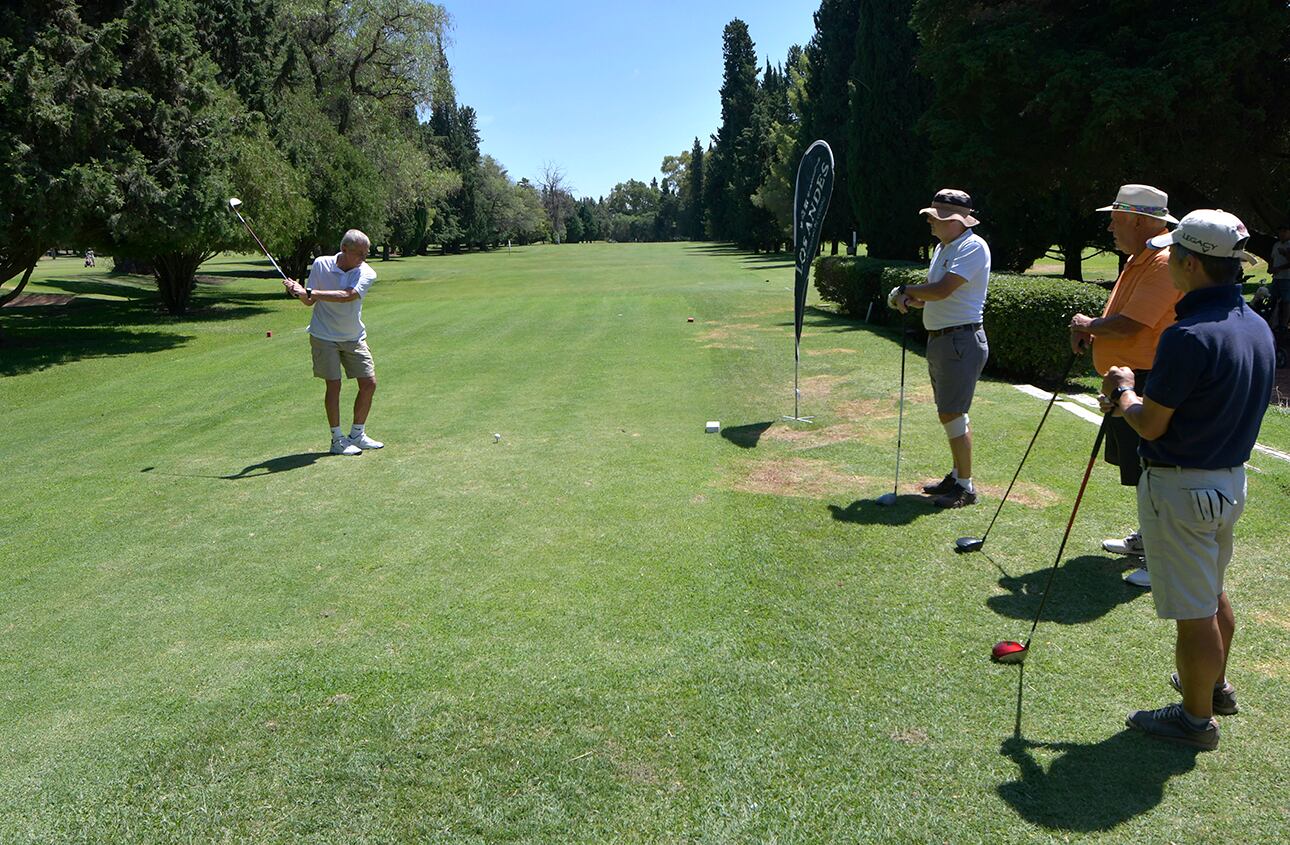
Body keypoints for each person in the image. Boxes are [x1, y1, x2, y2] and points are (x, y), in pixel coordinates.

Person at [1101, 209, 1274, 750]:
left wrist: (1123, 390)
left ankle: (1195, 720)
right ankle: (1214, 686)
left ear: (1191, 263)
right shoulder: (1255, 325)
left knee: (1194, 610)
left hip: (1183, 487)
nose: (1166, 259)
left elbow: (1150, 422)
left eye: (1173, 253)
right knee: (1211, 591)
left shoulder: (1187, 335)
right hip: (1228, 482)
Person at [1069, 185, 1182, 588]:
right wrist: (1094, 331)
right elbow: (1122, 316)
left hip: (1148, 379)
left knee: (1156, 470)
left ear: (1138, 220)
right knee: (1140, 469)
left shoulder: (1163, 261)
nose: (1111, 228)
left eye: (1117, 220)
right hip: (1128, 378)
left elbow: (1135, 322)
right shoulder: (1139, 258)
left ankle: (1162, 556)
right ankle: (1148, 540)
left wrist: (1089, 326)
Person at [888, 188, 991, 508]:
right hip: (945, 340)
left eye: (937, 217)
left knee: (953, 413)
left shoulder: (972, 247)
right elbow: (933, 295)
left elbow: (944, 289)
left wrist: (906, 288)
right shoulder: (944, 247)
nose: (931, 221)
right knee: (951, 413)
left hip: (960, 340)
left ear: (957, 221)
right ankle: (958, 474)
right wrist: (909, 299)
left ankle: (966, 487)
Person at [284, 229, 384, 456]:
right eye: (359, 254)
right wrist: (297, 291)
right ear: (344, 250)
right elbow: (309, 301)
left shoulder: (366, 272)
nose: (363, 258)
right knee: (334, 385)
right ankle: (337, 439)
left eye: (365, 253)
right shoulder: (321, 264)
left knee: (369, 383)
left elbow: (347, 295)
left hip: (353, 336)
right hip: (324, 336)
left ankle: (357, 434)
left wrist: (310, 291)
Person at [1269, 223, 1290, 330]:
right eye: (1280, 231)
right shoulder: (1276, 245)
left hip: (1287, 278)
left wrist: (1285, 254)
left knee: (1286, 301)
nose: (1282, 234)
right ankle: (1273, 321)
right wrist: (1271, 267)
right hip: (1276, 277)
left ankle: (1284, 324)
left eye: (1284, 231)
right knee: (1273, 299)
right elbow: (1272, 258)